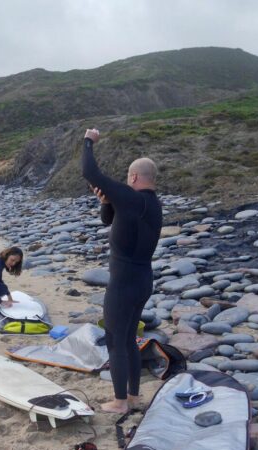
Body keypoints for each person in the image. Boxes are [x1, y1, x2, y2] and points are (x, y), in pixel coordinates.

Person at [82, 128, 163, 413]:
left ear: (133, 178)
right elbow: (110, 221)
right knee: (128, 339)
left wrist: (88, 141)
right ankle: (133, 396)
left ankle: (118, 402)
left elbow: (90, 172)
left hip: (124, 284)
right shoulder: (149, 204)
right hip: (142, 280)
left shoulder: (132, 198)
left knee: (116, 340)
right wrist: (106, 203)